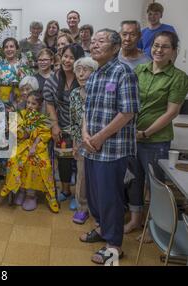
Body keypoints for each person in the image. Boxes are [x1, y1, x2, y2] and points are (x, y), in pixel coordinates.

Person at [79, 29, 140, 265]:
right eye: (93, 42)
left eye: (100, 41)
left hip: (112, 150)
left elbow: (128, 112)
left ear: (115, 48)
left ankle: (114, 246)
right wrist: (85, 133)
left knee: (110, 198)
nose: (94, 45)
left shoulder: (123, 72)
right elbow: (87, 110)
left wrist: (100, 137)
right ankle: (102, 230)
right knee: (94, 197)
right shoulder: (94, 75)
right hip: (91, 147)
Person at [125, 31, 188, 235]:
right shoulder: (140, 70)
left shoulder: (178, 77)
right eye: (156, 45)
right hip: (133, 137)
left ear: (174, 51)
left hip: (156, 140)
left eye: (165, 47)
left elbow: (172, 112)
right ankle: (136, 219)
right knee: (134, 180)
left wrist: (145, 133)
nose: (159, 50)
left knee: (155, 184)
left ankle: (154, 226)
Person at [0, 91, 59, 213]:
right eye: (28, 102)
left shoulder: (44, 118)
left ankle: (31, 194)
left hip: (38, 147)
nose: (30, 105)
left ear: (39, 105)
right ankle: (20, 190)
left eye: (34, 103)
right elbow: (18, 133)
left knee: (38, 163)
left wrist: (34, 146)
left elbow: (44, 135)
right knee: (15, 160)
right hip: (22, 145)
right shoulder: (21, 114)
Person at [43, 44, 84, 210]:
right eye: (65, 56)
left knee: (79, 163)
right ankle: (65, 190)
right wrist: (55, 125)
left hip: (82, 127)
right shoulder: (53, 79)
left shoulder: (83, 77)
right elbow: (50, 103)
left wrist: (81, 130)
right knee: (64, 160)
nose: (67, 60)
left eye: (72, 57)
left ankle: (78, 195)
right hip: (61, 125)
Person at [69, 57, 98, 224]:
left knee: (99, 177)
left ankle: (99, 211)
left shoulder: (99, 91)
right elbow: (73, 121)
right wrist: (75, 143)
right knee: (82, 176)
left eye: (85, 69)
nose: (81, 73)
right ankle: (82, 208)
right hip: (81, 142)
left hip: (100, 140)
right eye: (78, 70)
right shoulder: (74, 94)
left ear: (94, 72)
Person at [0, 38, 30, 106]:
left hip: (19, 101)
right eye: (6, 47)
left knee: (14, 117)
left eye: (11, 46)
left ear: (17, 49)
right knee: (0, 116)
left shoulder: (24, 66)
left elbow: (28, 87)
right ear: (3, 50)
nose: (9, 49)